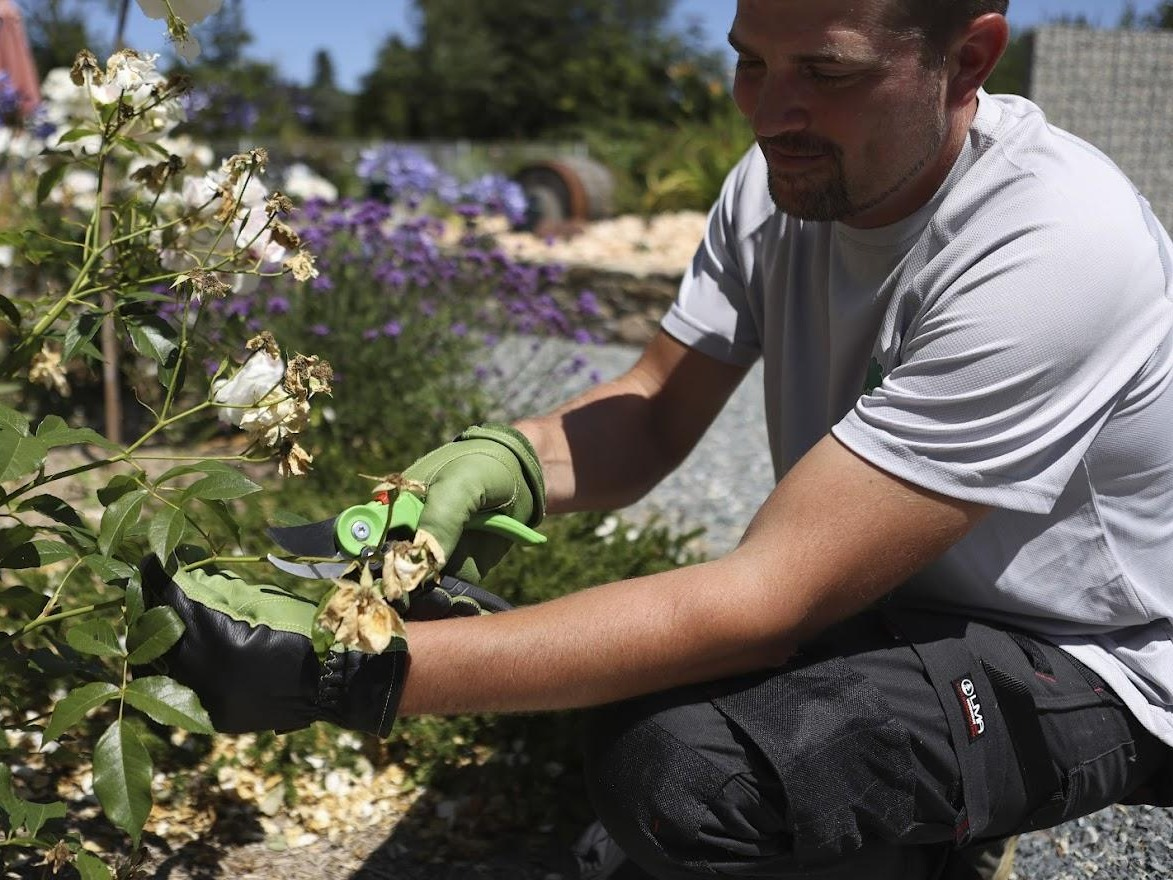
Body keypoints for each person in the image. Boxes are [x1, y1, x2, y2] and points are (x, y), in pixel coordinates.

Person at [147, 1, 1173, 878]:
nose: (774, 111)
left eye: (827, 70)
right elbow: (650, 410)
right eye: (750, 61)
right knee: (623, 692)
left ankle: (932, 833)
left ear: (970, 59)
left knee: (693, 773)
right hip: (882, 598)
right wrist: (503, 459)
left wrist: (353, 672)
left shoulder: (1053, 241)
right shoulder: (784, 182)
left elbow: (764, 602)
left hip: (1091, 652)